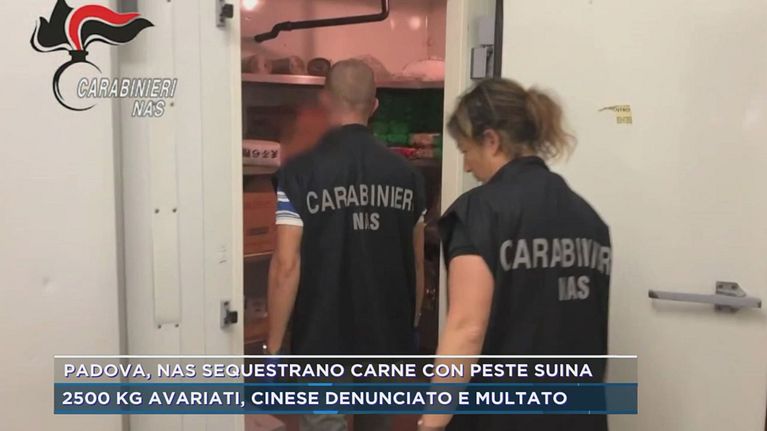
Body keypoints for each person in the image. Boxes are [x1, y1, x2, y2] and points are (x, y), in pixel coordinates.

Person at [418, 78, 611, 431]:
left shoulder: (480, 213)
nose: (467, 166)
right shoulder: (588, 218)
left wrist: (431, 422)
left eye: (466, 150)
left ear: (491, 141)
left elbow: (467, 328)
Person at [267, 59, 427, 431]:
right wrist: (412, 325)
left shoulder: (300, 173)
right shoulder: (408, 176)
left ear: (326, 100)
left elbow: (286, 266)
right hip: (387, 335)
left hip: (322, 338)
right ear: (375, 105)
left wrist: (272, 348)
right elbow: (417, 262)